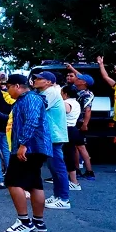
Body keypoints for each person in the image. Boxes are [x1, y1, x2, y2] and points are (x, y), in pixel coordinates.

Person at [2, 74, 50, 232]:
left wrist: (23, 144)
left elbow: (32, 120)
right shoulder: (27, 99)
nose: (7, 91)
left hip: (30, 147)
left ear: (17, 86)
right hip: (34, 147)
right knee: (34, 183)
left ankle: (23, 221)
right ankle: (38, 222)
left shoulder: (30, 99)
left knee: (12, 181)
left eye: (8, 87)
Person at [33, 72, 70, 210]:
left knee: (58, 168)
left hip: (54, 136)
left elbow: (37, 109)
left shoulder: (51, 93)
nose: (35, 80)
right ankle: (57, 195)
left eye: (39, 78)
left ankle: (64, 198)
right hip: (50, 136)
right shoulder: (46, 92)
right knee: (54, 169)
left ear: (48, 82)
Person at [67, 69, 95, 180]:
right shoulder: (75, 89)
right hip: (74, 122)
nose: (75, 79)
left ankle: (89, 171)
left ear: (83, 82)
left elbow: (88, 110)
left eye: (78, 78)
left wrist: (85, 124)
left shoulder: (87, 94)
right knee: (75, 147)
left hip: (79, 123)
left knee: (81, 147)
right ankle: (77, 169)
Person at [61, 85, 82, 192]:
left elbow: (65, 111)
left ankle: (74, 182)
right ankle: (71, 180)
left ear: (65, 93)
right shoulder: (76, 102)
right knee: (70, 154)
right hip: (73, 129)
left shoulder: (67, 103)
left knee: (68, 156)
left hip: (67, 130)